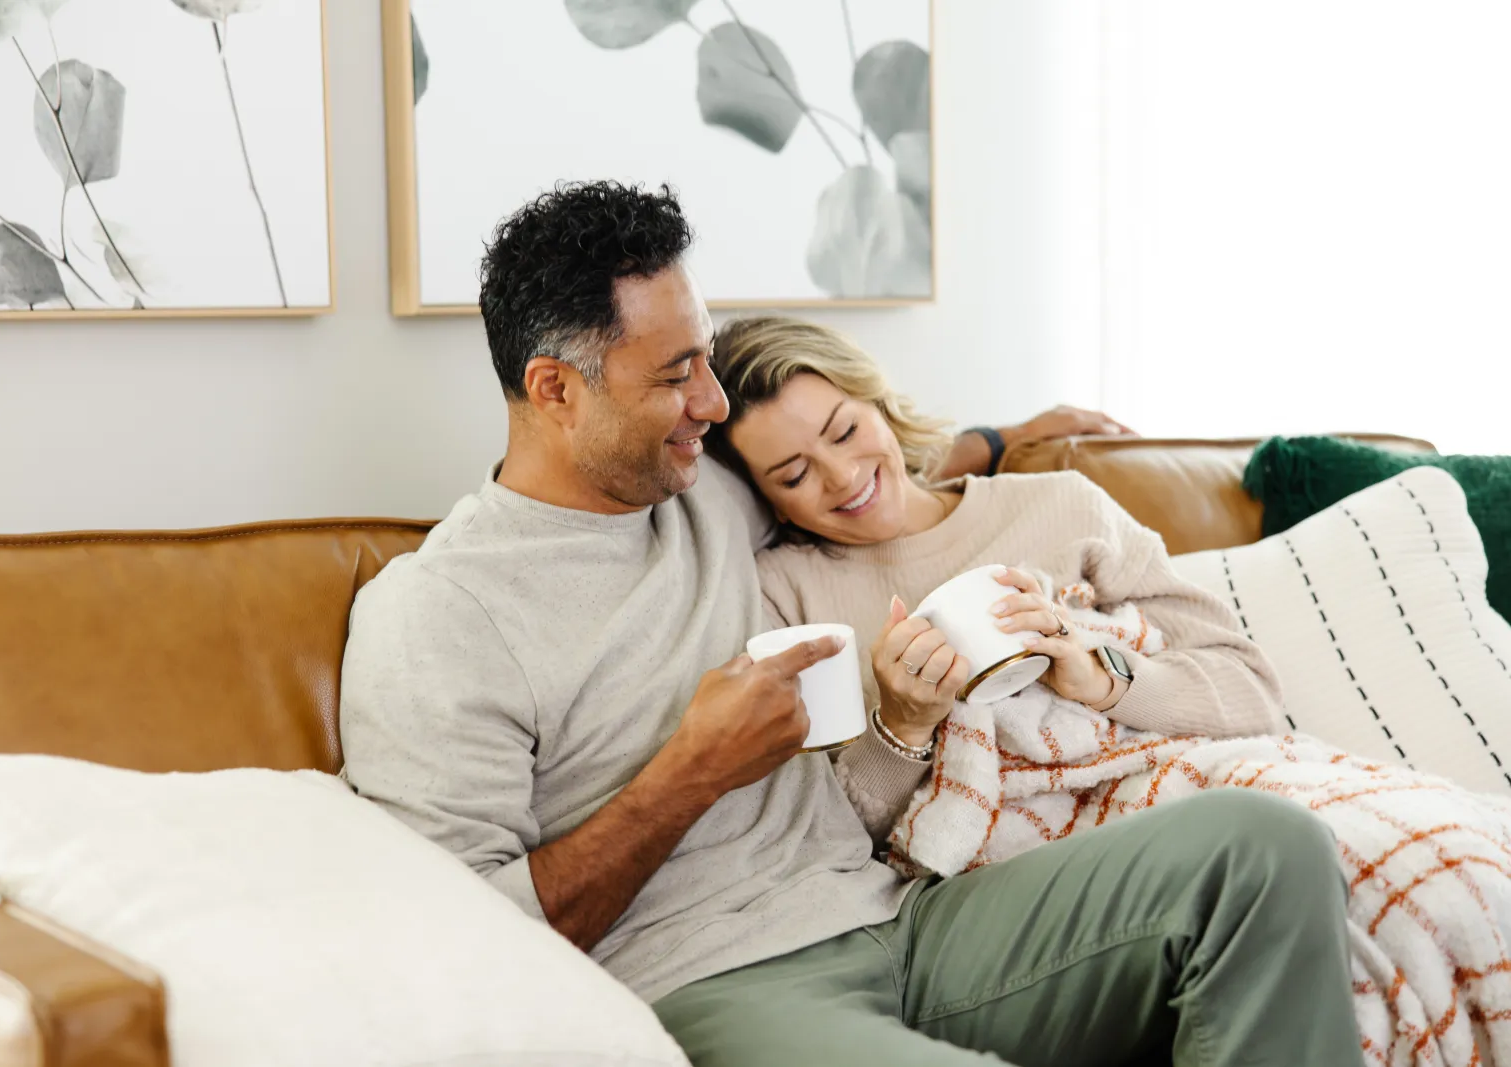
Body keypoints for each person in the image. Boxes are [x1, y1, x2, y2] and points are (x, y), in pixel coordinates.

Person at [338, 181, 1361, 1067]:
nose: (710, 401)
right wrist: (689, 772)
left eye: (706, 358)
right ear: (555, 389)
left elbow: (851, 473)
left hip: (901, 918)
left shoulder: (702, 489)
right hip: (713, 979)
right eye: (675, 374)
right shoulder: (437, 617)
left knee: (1264, 846)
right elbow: (459, 936)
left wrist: (1003, 438)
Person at [704, 315, 1281, 818]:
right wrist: (902, 727)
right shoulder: (785, 598)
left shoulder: (1064, 504)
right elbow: (819, 836)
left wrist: (1098, 676)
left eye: (846, 431)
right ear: (767, 501)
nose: (843, 476)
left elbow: (1252, 692)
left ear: (878, 404)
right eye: (794, 475)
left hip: (1180, 799)